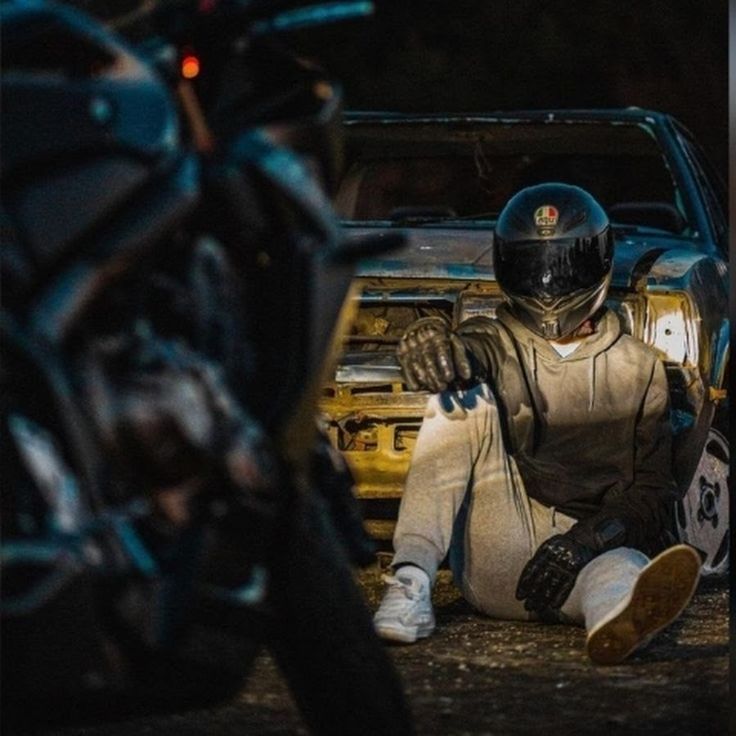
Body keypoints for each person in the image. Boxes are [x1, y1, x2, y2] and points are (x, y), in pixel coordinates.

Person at [373, 182, 701, 665]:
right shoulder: (495, 336)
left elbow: (653, 491)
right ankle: (411, 582)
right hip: (499, 544)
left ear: (597, 263)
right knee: (463, 395)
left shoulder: (641, 366)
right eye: (533, 267)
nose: (548, 285)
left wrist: (584, 542)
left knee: (622, 570)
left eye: (563, 267)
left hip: (580, 558)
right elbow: (466, 351)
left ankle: (618, 618)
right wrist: (431, 340)